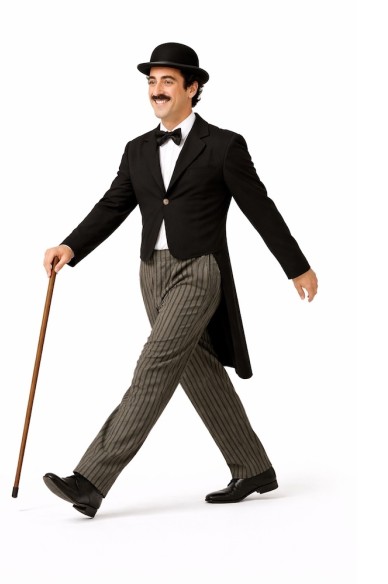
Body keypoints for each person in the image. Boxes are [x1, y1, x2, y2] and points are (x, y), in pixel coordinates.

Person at [42, 42, 318, 518]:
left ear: (192, 88)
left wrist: (296, 265)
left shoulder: (224, 145)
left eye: (167, 81)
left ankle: (90, 480)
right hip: (151, 272)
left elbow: (260, 207)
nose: (157, 90)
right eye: (152, 82)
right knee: (195, 367)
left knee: (154, 366)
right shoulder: (137, 149)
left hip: (198, 270)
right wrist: (71, 245)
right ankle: (253, 466)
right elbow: (113, 204)